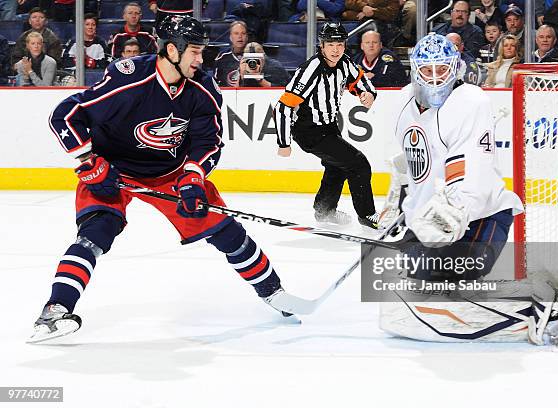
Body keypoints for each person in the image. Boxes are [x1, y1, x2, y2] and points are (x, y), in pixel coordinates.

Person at [28, 16, 297, 344]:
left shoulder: (203, 89)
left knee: (227, 232)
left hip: (170, 174)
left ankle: (273, 291)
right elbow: (66, 115)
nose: (201, 60)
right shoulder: (129, 80)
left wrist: (194, 177)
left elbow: (207, 142)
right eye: (195, 52)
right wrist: (88, 162)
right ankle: (55, 309)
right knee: (96, 233)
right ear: (172, 50)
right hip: (113, 169)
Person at [377, 33, 558, 345]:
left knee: (425, 295)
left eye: (442, 70)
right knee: (398, 300)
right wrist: (398, 206)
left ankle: (538, 303)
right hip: (427, 223)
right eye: (427, 71)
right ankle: (516, 301)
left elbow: (472, 169)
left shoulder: (470, 101)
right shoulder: (404, 101)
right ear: (415, 71)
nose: (435, 78)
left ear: (456, 69)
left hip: (480, 218)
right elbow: (408, 161)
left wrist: (454, 213)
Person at [273, 22, 381, 229]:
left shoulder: (345, 63)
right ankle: (367, 216)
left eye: (339, 44)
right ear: (321, 46)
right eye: (330, 44)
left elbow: (361, 82)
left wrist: (368, 94)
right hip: (308, 131)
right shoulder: (311, 69)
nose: (335, 49)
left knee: (337, 166)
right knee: (358, 164)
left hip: (329, 127)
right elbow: (283, 107)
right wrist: (284, 142)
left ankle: (324, 210)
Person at [213, 21, 248, 87]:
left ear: (247, 37)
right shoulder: (222, 58)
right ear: (230, 37)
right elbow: (215, 83)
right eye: (236, 33)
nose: (240, 36)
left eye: (243, 33)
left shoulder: (255, 56)